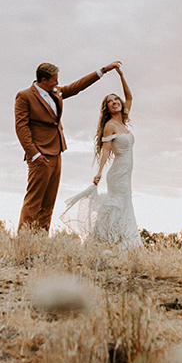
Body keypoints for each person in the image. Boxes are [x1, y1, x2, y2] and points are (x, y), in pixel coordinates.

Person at [15, 60, 122, 233]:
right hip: (40, 156)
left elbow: (77, 86)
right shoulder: (25, 96)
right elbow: (21, 127)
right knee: (34, 201)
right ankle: (23, 242)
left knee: (48, 203)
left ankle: (40, 242)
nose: (57, 83)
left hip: (57, 152)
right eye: (54, 80)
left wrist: (103, 70)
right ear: (43, 80)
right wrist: (34, 154)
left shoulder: (55, 92)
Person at [60, 66, 142, 247]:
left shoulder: (123, 120)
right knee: (117, 205)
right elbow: (105, 151)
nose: (114, 102)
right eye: (109, 101)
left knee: (124, 205)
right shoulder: (110, 125)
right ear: (107, 108)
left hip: (126, 174)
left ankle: (123, 240)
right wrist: (98, 172)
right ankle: (105, 240)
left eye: (115, 99)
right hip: (117, 174)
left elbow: (130, 97)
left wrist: (121, 74)